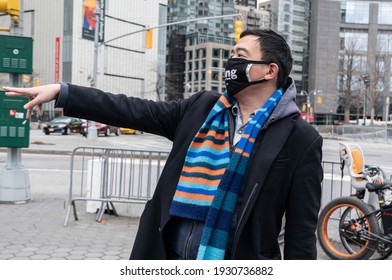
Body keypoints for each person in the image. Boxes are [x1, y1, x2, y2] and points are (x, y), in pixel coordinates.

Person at [3, 29, 323, 260]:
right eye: (231, 54)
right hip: (166, 253)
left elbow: (300, 231)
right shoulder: (201, 108)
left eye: (241, 55)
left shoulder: (301, 139)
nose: (231, 62)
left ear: (270, 71)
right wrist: (64, 92)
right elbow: (133, 109)